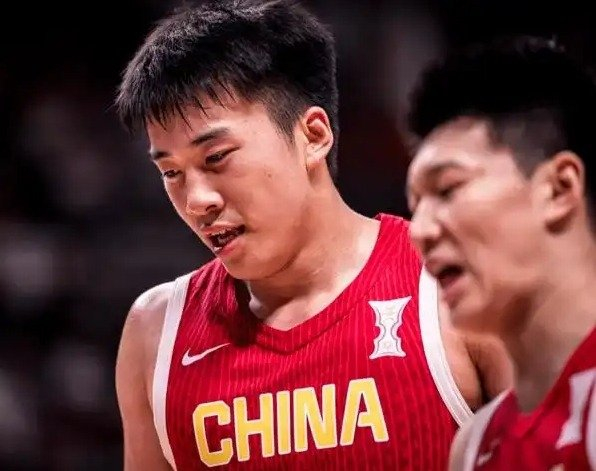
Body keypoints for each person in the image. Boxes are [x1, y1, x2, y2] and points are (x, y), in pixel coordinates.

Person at [114, 1, 512, 469]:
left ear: (314, 135)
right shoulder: (155, 334)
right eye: (171, 172)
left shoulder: (454, 284)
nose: (197, 200)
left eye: (216, 157)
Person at [406, 35, 596, 470]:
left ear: (558, 189)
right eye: (414, 206)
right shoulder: (473, 448)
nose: (418, 230)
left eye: (447, 189)